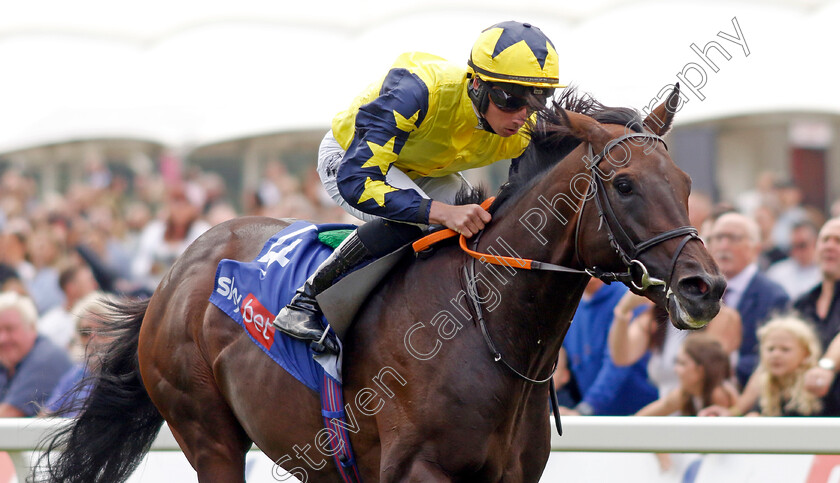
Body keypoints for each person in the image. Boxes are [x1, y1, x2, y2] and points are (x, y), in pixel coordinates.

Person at [273, 21, 563, 353]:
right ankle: (306, 301)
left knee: (483, 224)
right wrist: (439, 212)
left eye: (538, 100)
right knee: (420, 220)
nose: (522, 115)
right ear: (478, 84)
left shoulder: (526, 127)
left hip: (422, 168)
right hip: (353, 160)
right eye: (511, 100)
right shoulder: (417, 90)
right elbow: (357, 181)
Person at [707, 212, 789, 387]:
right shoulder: (698, 291)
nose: (723, 246)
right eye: (718, 237)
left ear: (756, 248)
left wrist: (722, 366)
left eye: (733, 238)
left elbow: (774, 356)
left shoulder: (774, 297)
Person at [608, 291, 741, 397]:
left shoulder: (723, 317)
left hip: (707, 414)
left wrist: (643, 418)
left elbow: (703, 379)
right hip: (671, 418)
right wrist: (624, 309)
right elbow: (622, 356)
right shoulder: (656, 317)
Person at [560, 279, 657, 416]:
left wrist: (586, 408)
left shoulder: (628, 295)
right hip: (595, 418)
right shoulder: (570, 302)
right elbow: (559, 360)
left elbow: (617, 364)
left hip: (637, 418)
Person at [699, 314, 822, 417]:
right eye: (770, 349)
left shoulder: (819, 385)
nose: (776, 355)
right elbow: (741, 412)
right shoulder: (763, 383)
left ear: (806, 353)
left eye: (785, 349)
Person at [794, 217, 840, 415]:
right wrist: (740, 409)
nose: (830, 246)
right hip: (804, 417)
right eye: (825, 239)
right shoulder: (802, 303)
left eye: (838, 241)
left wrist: (827, 366)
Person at [42, 292, 115, 417]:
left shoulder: (126, 376)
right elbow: (45, 416)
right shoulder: (76, 373)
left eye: (103, 330)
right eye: (85, 333)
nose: (93, 338)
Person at [0, 291, 72, 417]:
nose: (2, 338)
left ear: (32, 328)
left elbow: (8, 415)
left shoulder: (46, 358)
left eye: (9, 329)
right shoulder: (9, 362)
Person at [636, 334, 737, 417]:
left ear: (699, 371)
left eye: (682, 363)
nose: (675, 369)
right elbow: (643, 417)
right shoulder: (684, 394)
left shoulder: (718, 394)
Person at [766, 219, 821, 300]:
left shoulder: (825, 273)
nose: (797, 251)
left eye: (802, 245)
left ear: (816, 243)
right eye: (793, 246)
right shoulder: (777, 273)